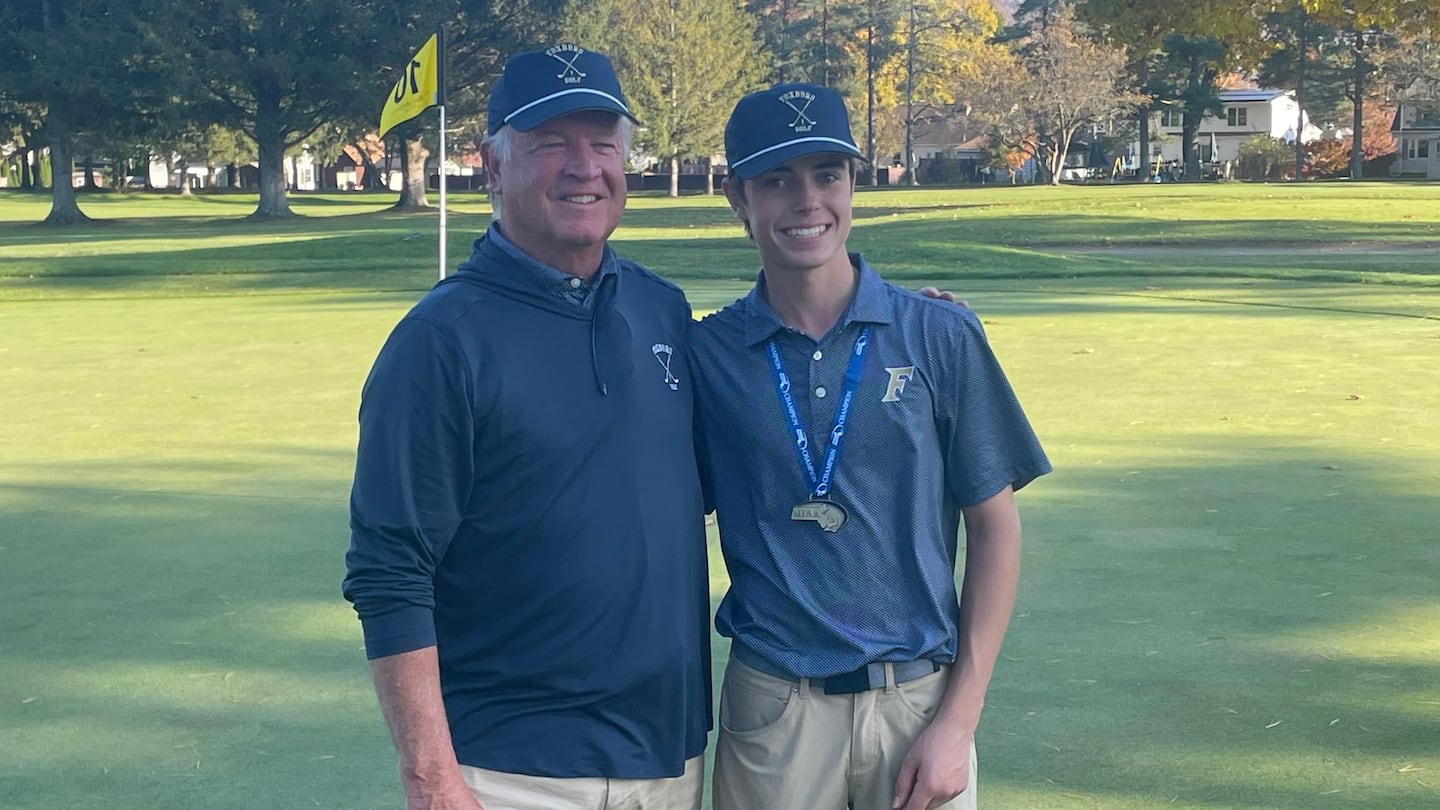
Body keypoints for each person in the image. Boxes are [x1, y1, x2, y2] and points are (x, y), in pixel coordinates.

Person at [342, 44, 710, 810]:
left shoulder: (661, 309)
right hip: (509, 773)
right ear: (492, 165)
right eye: (551, 144)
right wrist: (432, 778)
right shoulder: (440, 341)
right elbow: (389, 571)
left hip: (667, 761)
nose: (585, 167)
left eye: (603, 143)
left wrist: (907, 328)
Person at [691, 83, 1052, 810]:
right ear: (738, 197)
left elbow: (995, 527)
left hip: (917, 707)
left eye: (827, 174)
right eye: (776, 180)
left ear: (855, 183)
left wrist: (959, 720)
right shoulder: (708, 354)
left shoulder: (939, 335)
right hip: (774, 713)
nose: (806, 200)